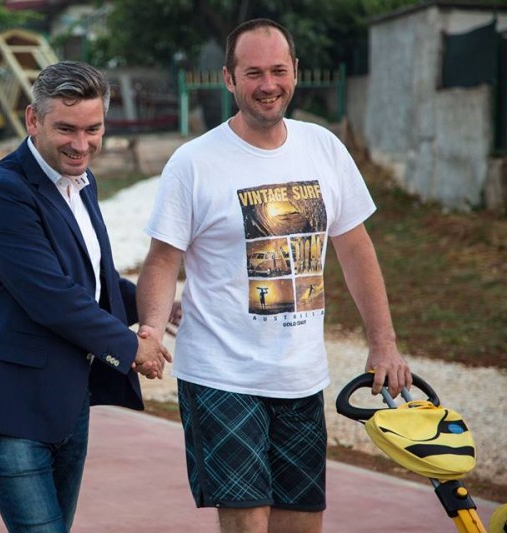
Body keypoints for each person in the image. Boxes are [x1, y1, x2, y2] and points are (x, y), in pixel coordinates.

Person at [136, 19, 412, 533]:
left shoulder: (324, 147)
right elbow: (162, 258)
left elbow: (355, 248)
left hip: (300, 375)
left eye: (278, 71)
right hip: (220, 373)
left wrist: (384, 344)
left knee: (302, 522)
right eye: (254, 73)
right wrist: (151, 329)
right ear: (228, 78)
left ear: (296, 72)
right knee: (246, 520)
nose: (268, 85)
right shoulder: (193, 162)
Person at [0, 61, 172, 532]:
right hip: (7, 409)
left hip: (66, 403)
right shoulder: (3, 193)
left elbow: (91, 280)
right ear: (33, 119)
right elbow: (51, 296)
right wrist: (133, 348)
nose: (81, 144)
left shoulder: (81, 183)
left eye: (93, 129)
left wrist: (161, 304)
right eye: (66, 129)